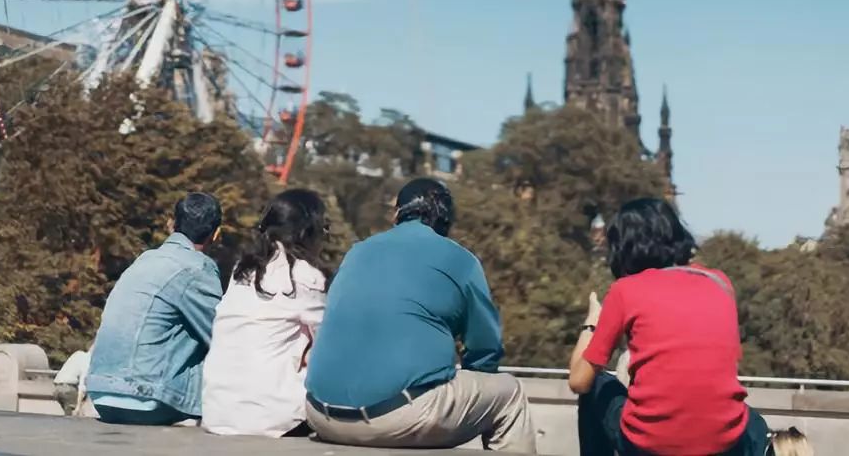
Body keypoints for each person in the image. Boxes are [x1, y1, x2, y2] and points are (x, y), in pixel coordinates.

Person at [305, 178, 536, 454]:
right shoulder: (461, 259)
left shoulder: (357, 252)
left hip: (320, 414)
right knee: (510, 394)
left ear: (396, 214)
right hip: (398, 417)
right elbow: (486, 349)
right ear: (446, 222)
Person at [568, 197, 769, 455]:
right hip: (724, 444)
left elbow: (578, 381)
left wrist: (592, 322)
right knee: (743, 416)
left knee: (598, 385)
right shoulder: (720, 283)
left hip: (649, 446)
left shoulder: (625, 291)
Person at [86, 192, 224, 425]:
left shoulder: (144, 259)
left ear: (172, 224)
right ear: (216, 234)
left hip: (101, 394)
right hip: (146, 397)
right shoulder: (197, 268)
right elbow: (223, 335)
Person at [202, 189, 330, 437]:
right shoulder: (305, 276)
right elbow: (330, 346)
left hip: (218, 412)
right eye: (324, 227)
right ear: (307, 231)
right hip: (273, 417)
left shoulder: (243, 271)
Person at [53, 344, 93, 417]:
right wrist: (78, 406)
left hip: (57, 389)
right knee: (75, 417)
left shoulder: (78, 354)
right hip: (68, 390)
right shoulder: (88, 361)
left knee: (70, 415)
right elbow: (82, 386)